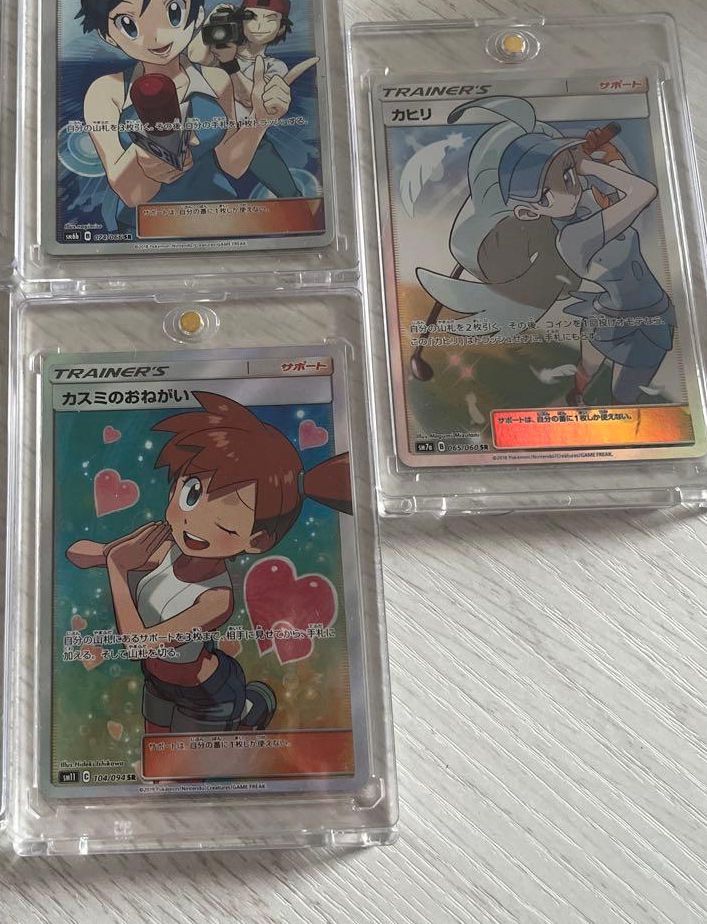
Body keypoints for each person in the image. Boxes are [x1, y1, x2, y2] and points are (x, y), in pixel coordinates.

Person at [66, 391, 351, 735]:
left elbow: (138, 644)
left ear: (256, 541)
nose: (193, 521)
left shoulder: (217, 599)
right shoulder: (164, 548)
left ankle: (248, 707)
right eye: (190, 495)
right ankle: (249, 705)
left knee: (191, 766)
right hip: (156, 682)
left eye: (224, 521)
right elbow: (79, 553)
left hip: (207, 695)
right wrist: (111, 552)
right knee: (156, 759)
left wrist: (117, 567)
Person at [416, 96, 671, 404]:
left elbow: (625, 188)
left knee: (623, 390)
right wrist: (588, 164)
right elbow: (643, 191)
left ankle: (582, 397)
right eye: (563, 178)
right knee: (596, 374)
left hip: (640, 313)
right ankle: (577, 396)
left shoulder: (584, 203)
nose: (573, 182)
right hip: (621, 315)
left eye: (569, 174)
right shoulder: (574, 239)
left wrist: (610, 157)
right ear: (528, 211)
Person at [70, 0, 310, 228]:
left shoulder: (215, 79)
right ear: (107, 35)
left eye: (173, 12)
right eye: (128, 23)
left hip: (219, 216)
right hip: (146, 229)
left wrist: (260, 119)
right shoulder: (106, 92)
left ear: (197, 16)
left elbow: (232, 165)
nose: (156, 36)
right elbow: (132, 195)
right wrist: (147, 153)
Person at [191, 0, 318, 198]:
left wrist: (230, 65)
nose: (259, 25)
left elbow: (253, 100)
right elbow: (195, 56)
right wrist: (211, 20)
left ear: (281, 28)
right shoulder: (224, 46)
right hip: (211, 131)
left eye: (270, 19)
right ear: (240, 21)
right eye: (251, 17)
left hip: (250, 134)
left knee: (288, 193)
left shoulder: (274, 66)